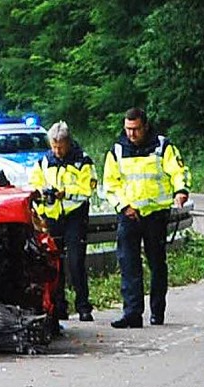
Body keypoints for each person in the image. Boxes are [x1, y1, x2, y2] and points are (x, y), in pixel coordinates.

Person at [103, 107, 191, 328]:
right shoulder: (117, 150)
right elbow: (110, 185)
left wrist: (181, 191)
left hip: (155, 215)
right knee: (129, 264)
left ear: (145, 126)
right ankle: (132, 313)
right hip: (129, 215)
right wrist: (124, 206)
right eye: (128, 129)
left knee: (157, 264)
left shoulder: (162, 147)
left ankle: (157, 311)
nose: (131, 134)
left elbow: (178, 171)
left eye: (135, 129)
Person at [29, 121, 97, 325]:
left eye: (60, 146)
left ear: (68, 143)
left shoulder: (82, 161)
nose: (57, 150)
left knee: (76, 262)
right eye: (53, 146)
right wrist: (43, 200)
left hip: (75, 216)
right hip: (52, 218)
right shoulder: (44, 161)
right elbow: (34, 186)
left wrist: (65, 193)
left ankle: (83, 306)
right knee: (54, 264)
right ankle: (58, 307)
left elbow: (87, 189)